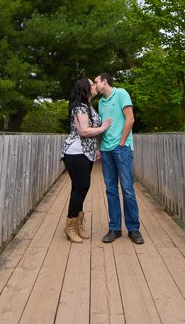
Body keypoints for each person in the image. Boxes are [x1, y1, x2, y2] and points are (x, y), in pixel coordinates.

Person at [61, 78, 113, 243]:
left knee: (80, 188)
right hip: (76, 152)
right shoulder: (80, 107)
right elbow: (84, 131)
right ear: (85, 89)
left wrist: (95, 148)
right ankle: (70, 226)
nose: (94, 86)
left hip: (86, 152)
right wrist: (103, 128)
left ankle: (77, 224)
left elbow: (89, 133)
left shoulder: (88, 106)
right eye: (91, 84)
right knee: (81, 187)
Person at [94, 73, 144, 244]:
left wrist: (122, 142)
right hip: (106, 150)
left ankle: (134, 229)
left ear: (104, 82)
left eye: (96, 82)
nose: (95, 85)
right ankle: (115, 228)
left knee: (128, 189)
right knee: (111, 190)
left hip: (121, 149)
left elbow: (130, 119)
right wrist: (100, 146)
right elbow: (102, 127)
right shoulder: (100, 102)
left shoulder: (121, 93)